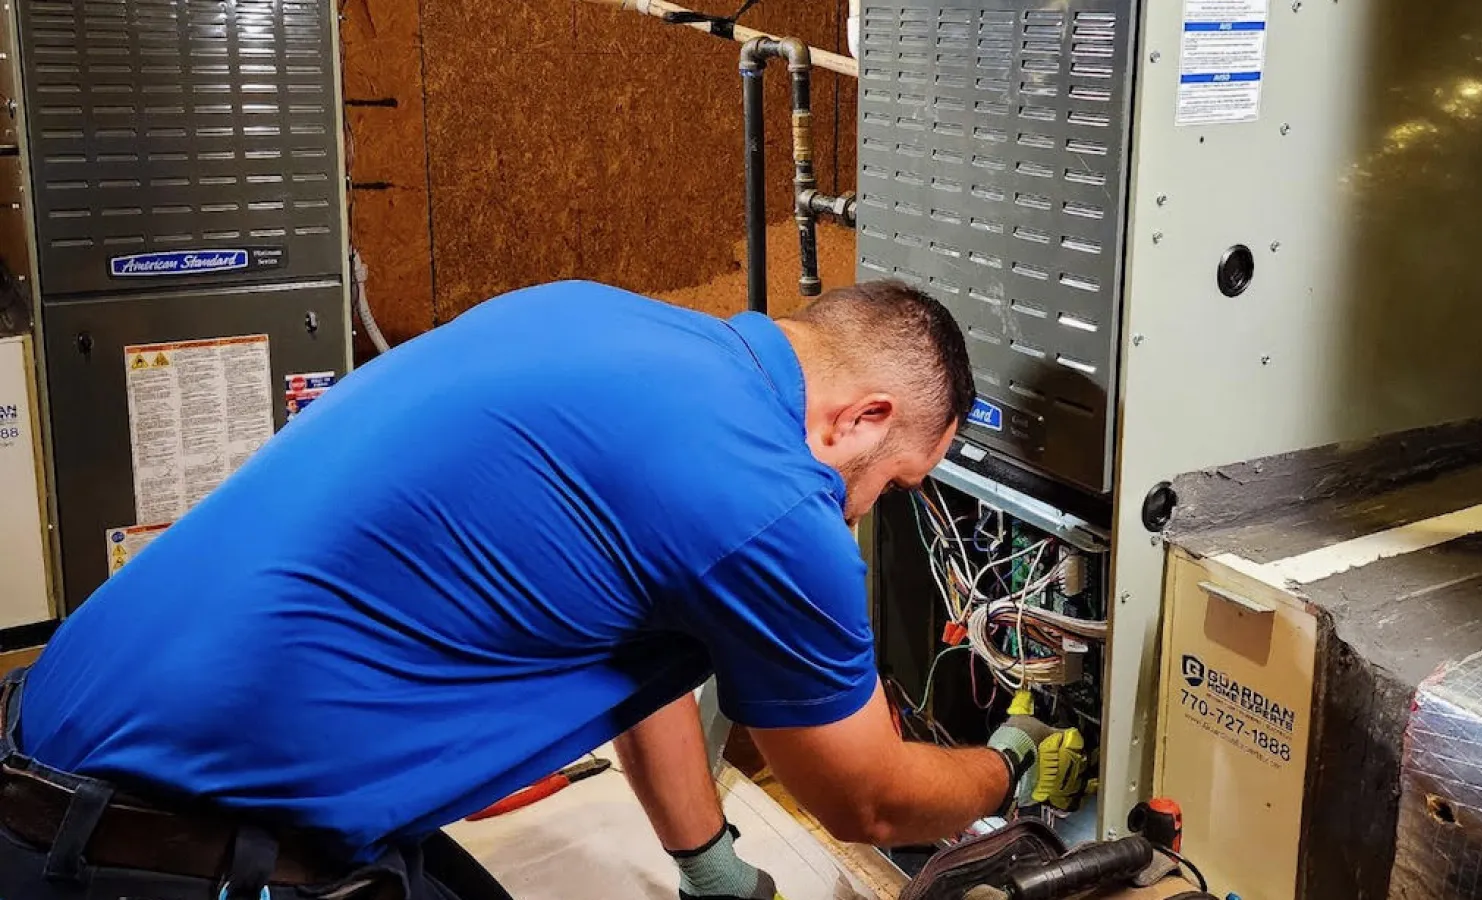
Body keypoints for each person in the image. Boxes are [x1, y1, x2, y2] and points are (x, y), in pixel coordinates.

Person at [2, 279, 1063, 900]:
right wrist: (1001, 772)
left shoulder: (592, 317)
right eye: (890, 487)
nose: (860, 512)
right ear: (866, 419)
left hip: (45, 757)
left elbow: (633, 642)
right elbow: (866, 797)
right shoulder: (768, 496)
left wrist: (706, 862)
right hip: (156, 861)